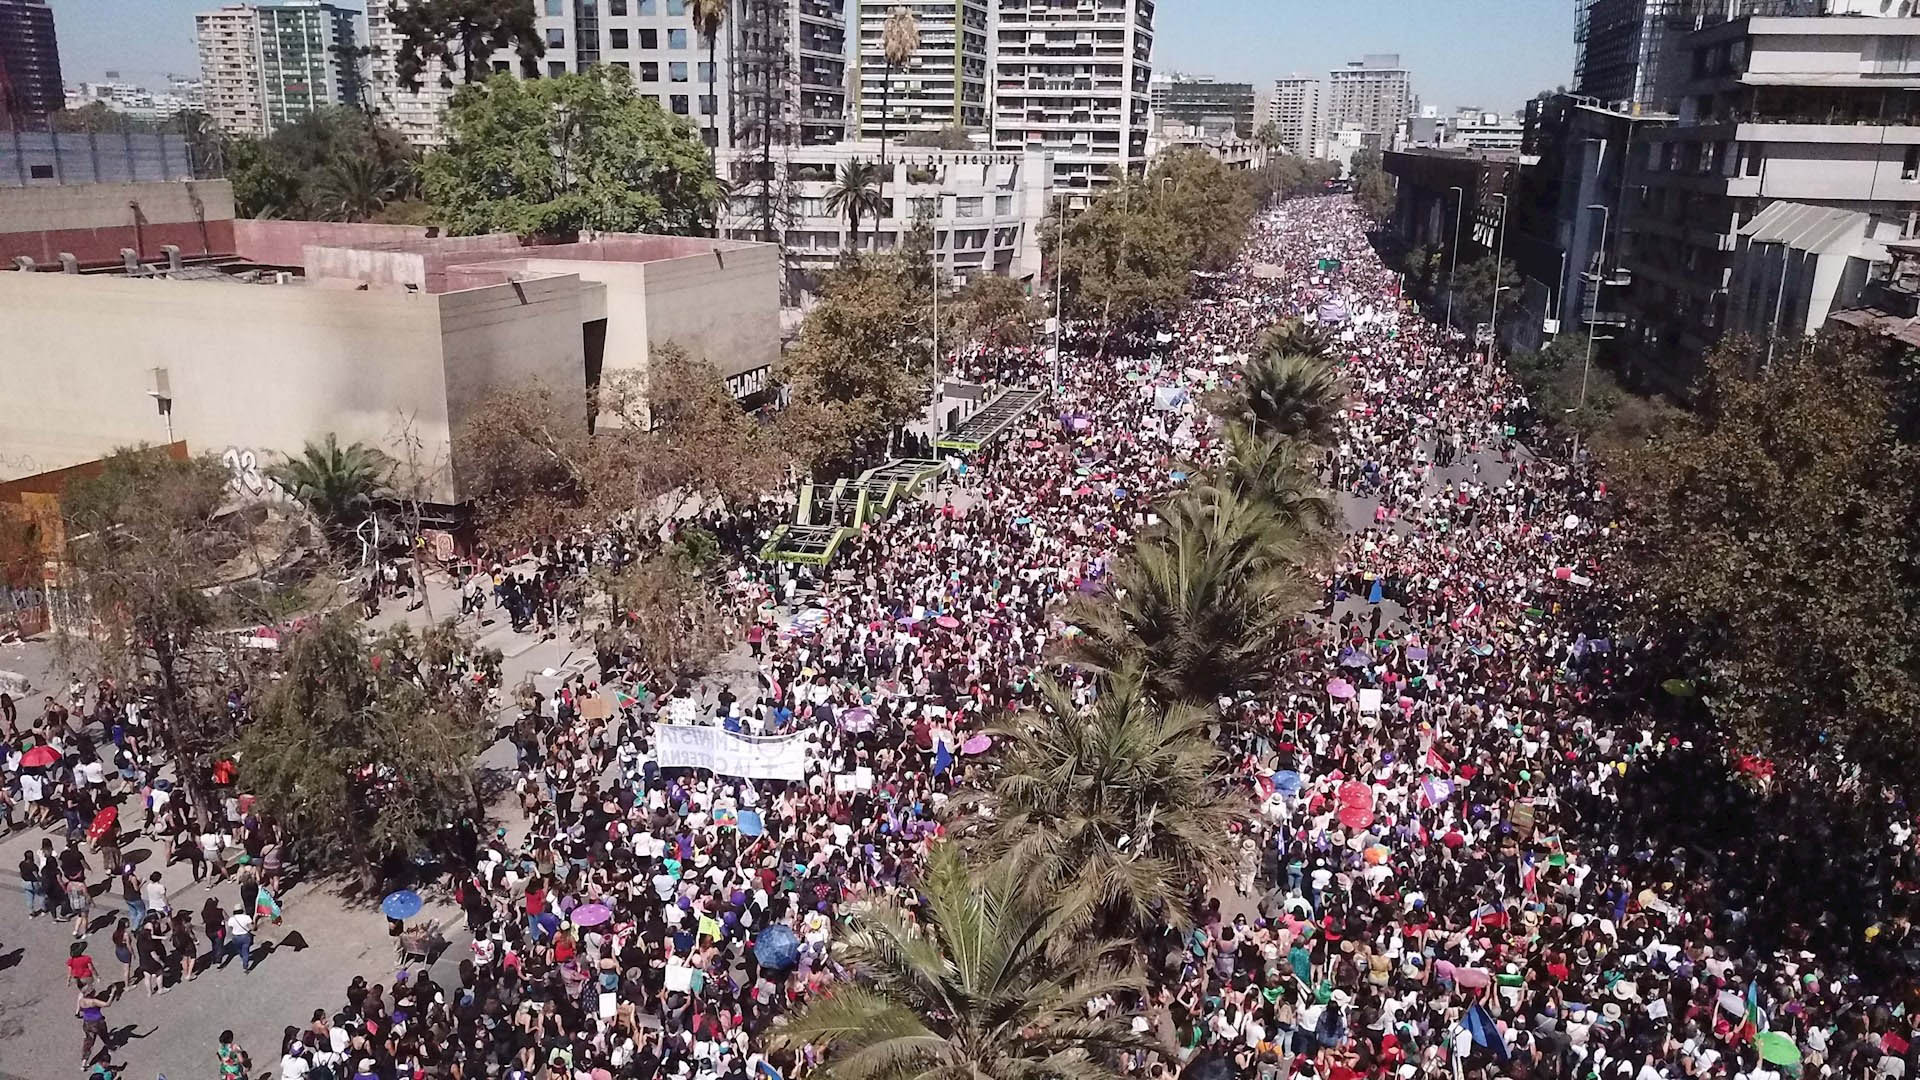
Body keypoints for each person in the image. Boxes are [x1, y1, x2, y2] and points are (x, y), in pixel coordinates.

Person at [76, 987, 111, 1067]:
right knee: (104, 1035)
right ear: (92, 993)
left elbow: (81, 1010)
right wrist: (112, 994)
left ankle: (84, 1061)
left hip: (87, 1023)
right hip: (98, 1022)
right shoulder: (94, 1001)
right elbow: (107, 1004)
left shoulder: (81, 1001)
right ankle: (110, 1048)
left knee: (88, 1042)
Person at [226, 903, 256, 973]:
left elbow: (230, 929)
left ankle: (243, 957)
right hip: (245, 936)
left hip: (235, 937)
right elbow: (252, 928)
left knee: (239, 950)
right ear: (242, 910)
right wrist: (254, 922)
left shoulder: (232, 919)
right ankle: (245, 965)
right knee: (245, 951)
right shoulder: (247, 917)